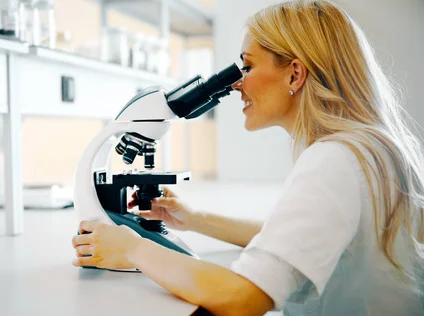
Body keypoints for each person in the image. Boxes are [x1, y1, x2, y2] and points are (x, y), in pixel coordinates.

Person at [71, 1, 424, 315]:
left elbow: (244, 297)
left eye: (248, 67)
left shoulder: (334, 160)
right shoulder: (372, 147)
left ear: (295, 74)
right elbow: (298, 240)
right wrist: (195, 219)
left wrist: (133, 248)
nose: (236, 84)